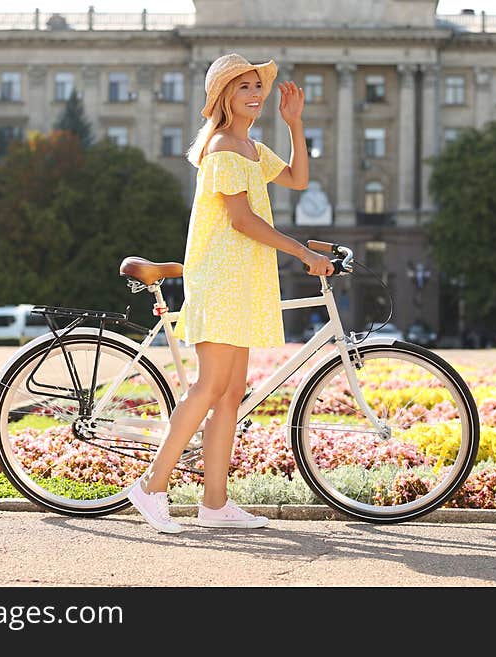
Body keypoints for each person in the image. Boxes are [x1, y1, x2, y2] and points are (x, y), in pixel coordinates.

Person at [126, 53, 334, 533]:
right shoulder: (221, 148)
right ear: (224, 96)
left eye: (257, 86)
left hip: (243, 279)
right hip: (220, 279)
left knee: (230, 394)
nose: (255, 94)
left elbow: (299, 180)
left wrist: (294, 124)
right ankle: (152, 486)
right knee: (209, 386)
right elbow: (241, 220)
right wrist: (303, 252)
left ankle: (215, 504)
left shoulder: (252, 148)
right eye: (244, 87)